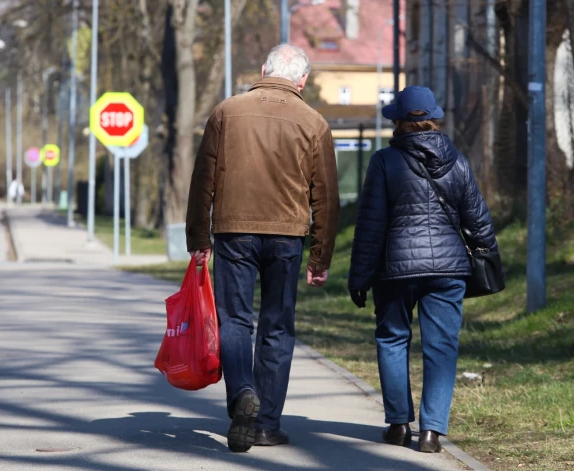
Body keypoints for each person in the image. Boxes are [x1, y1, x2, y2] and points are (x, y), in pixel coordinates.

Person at [186, 44, 340, 453]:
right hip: (287, 236)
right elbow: (325, 195)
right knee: (276, 326)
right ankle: (267, 424)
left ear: (262, 69)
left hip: (233, 230)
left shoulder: (226, 112)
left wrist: (198, 239)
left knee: (235, 320)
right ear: (302, 80)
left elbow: (203, 179)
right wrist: (320, 256)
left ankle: (242, 396)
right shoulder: (314, 123)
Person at [347, 86, 499, 453]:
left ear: (399, 122)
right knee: (442, 347)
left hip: (395, 268)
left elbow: (371, 226)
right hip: (448, 270)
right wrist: (490, 259)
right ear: (434, 118)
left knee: (392, 339)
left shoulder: (384, 161)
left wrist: (359, 276)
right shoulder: (458, 162)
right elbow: (478, 222)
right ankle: (431, 432)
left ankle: (399, 425)